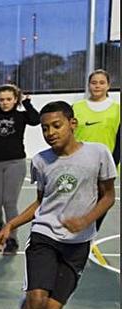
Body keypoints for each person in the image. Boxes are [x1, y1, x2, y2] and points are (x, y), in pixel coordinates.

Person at [0, 101, 116, 309]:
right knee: (38, 298)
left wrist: (86, 219)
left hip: (77, 243)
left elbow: (108, 196)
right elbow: (41, 202)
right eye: (46, 128)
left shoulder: (98, 154)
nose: (50, 132)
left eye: (56, 125)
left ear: (72, 124)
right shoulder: (40, 161)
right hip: (44, 236)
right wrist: (11, 224)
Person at [0, 84, 40, 253]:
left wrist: (26, 103)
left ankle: (12, 238)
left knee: (9, 202)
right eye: (1, 99)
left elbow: (36, 120)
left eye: (9, 99)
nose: (5, 102)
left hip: (15, 162)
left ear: (15, 99)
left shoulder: (21, 116)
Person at [73, 69, 120, 231]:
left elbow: (119, 141)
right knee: (77, 201)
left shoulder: (117, 110)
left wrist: (112, 164)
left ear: (108, 85)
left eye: (102, 83)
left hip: (104, 165)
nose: (97, 86)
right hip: (78, 163)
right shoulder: (76, 108)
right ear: (88, 85)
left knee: (102, 202)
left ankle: (91, 233)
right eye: (94, 83)